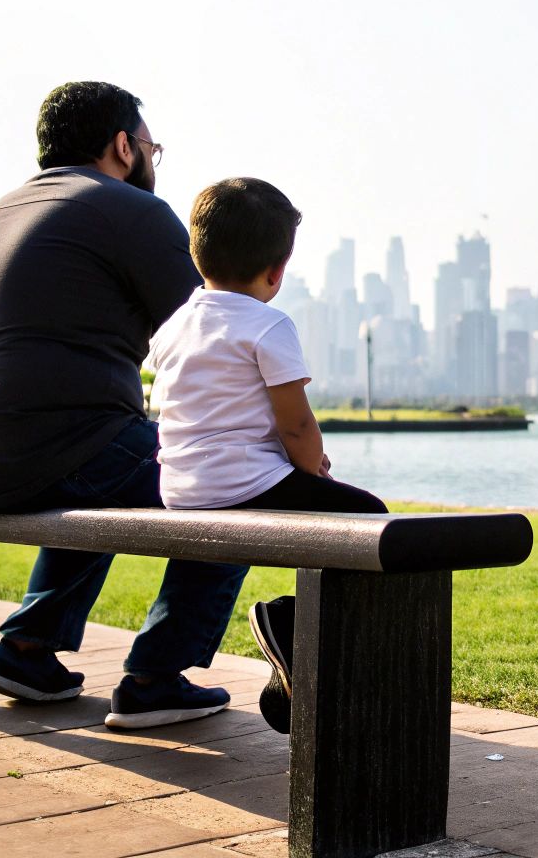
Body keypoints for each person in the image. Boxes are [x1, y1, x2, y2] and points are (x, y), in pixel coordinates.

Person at [0, 81, 246, 729]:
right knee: (230, 485)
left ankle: (27, 649)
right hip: (41, 449)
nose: (153, 159)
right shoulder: (129, 209)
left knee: (109, 459)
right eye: (152, 147)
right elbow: (215, 336)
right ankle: (155, 678)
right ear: (123, 146)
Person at [147, 177, 387, 734]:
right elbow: (296, 421)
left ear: (197, 251)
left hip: (181, 487)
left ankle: (148, 679)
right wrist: (313, 469)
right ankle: (290, 621)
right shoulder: (268, 324)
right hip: (244, 483)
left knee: (240, 547)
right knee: (371, 519)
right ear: (277, 271)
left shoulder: (176, 324)